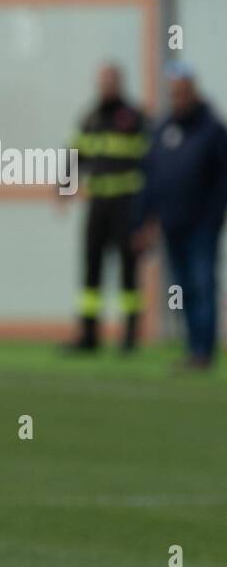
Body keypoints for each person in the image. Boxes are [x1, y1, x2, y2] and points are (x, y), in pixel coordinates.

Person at [132, 63, 227, 369]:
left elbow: (222, 180)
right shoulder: (162, 129)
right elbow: (152, 177)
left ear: (193, 92)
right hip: (171, 224)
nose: (179, 99)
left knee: (202, 285)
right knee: (183, 288)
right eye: (174, 94)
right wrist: (144, 221)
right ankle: (193, 348)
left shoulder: (212, 130)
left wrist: (214, 218)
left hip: (202, 226)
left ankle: (204, 351)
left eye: (183, 93)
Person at [62, 63, 149, 353]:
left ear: (120, 83)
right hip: (99, 206)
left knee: (128, 270)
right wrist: (64, 189)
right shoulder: (91, 118)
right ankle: (88, 335)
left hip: (127, 204)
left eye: (111, 81)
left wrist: (150, 210)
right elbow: (75, 153)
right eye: (103, 81)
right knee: (92, 270)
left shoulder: (135, 118)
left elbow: (152, 162)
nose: (107, 86)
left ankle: (129, 337)